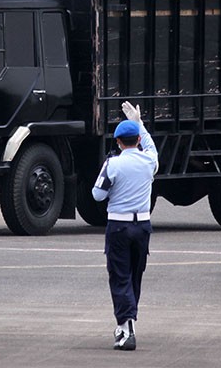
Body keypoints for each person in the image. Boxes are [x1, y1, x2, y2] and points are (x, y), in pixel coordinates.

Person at [92, 101, 159, 351]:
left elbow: (97, 194)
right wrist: (140, 124)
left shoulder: (114, 164)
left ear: (119, 142)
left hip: (119, 226)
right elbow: (152, 148)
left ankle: (126, 326)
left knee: (120, 277)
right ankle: (127, 323)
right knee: (134, 277)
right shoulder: (148, 161)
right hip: (142, 226)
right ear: (137, 140)